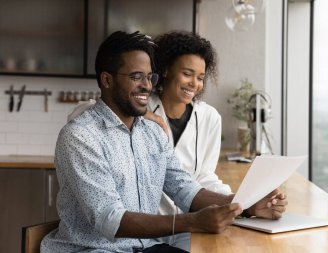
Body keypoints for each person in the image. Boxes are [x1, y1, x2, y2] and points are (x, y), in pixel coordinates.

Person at [42, 30, 287, 253]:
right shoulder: (80, 136)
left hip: (145, 248)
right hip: (93, 250)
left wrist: (249, 206)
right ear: (107, 80)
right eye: (136, 77)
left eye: (150, 77)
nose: (147, 86)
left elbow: (186, 190)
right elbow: (110, 218)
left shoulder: (153, 132)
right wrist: (192, 221)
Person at [144, 31, 231, 251]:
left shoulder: (209, 118)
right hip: (146, 230)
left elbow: (204, 177)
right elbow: (85, 111)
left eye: (200, 77)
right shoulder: (138, 108)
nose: (194, 83)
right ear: (165, 70)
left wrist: (237, 202)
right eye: (187, 73)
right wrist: (142, 114)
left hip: (189, 228)